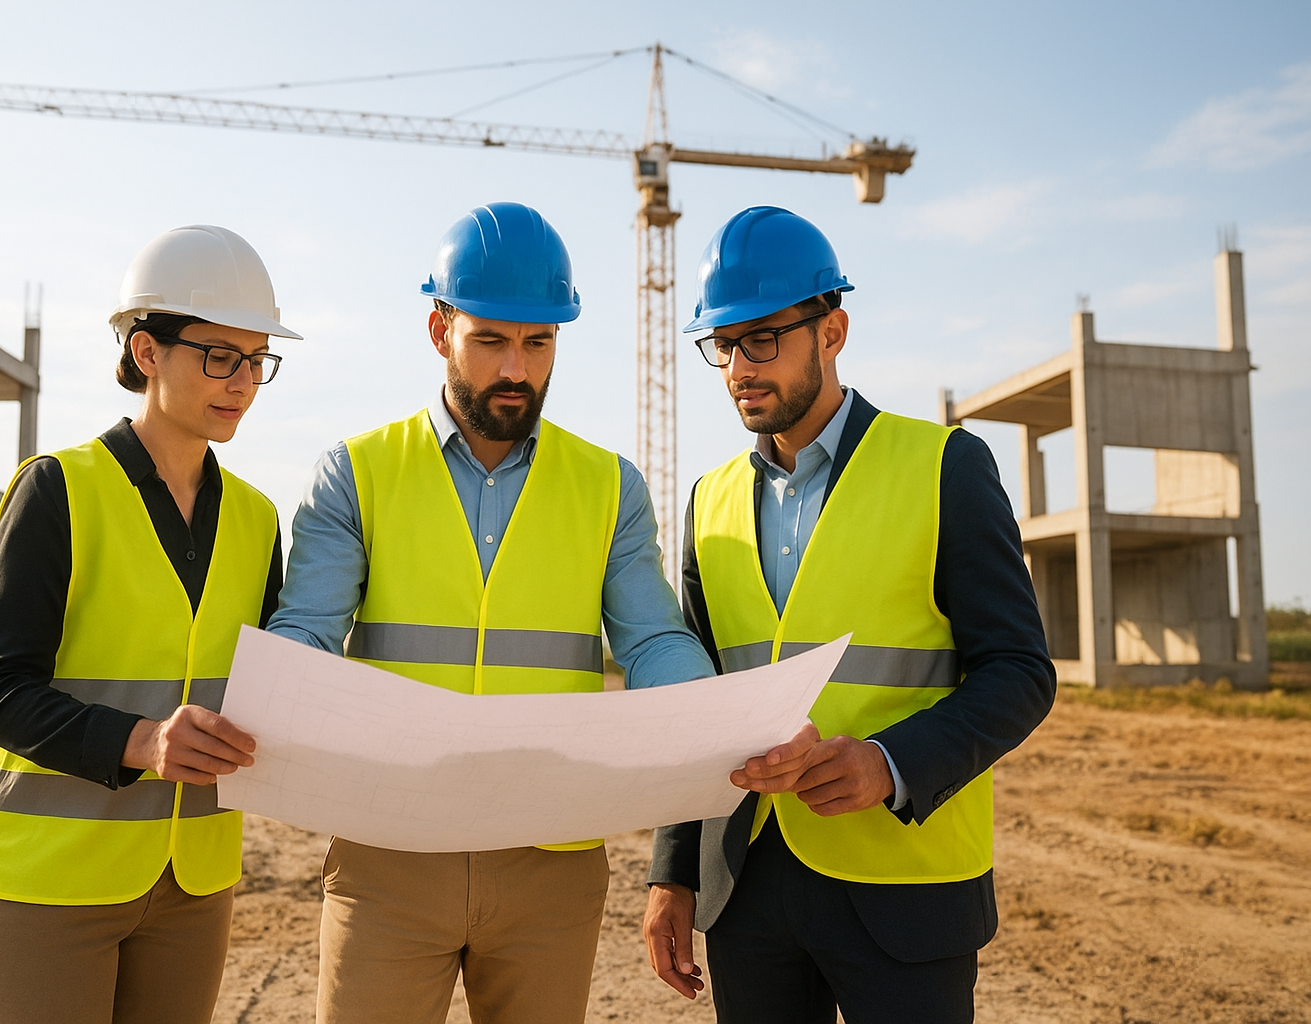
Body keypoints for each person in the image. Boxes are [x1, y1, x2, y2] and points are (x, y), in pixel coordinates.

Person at [268, 201, 715, 1024]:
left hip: (550, 861)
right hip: (388, 849)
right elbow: (305, 632)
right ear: (440, 329)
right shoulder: (356, 473)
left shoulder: (609, 485)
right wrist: (268, 696)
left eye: (539, 343)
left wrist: (715, 717)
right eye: (492, 341)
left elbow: (653, 639)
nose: (517, 368)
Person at [641, 206, 1056, 1023]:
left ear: (832, 330)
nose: (737, 368)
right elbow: (695, 699)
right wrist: (673, 872)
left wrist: (888, 763)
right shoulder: (708, 500)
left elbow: (1019, 672)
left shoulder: (944, 466)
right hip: (748, 890)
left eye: (761, 339)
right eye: (720, 344)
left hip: (906, 889)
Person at [0, 225, 298, 1024]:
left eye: (257, 361)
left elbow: (279, 687)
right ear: (147, 352)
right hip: (45, 881)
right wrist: (143, 742)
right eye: (221, 357)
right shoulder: (57, 491)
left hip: (192, 885)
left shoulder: (256, 518)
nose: (242, 382)